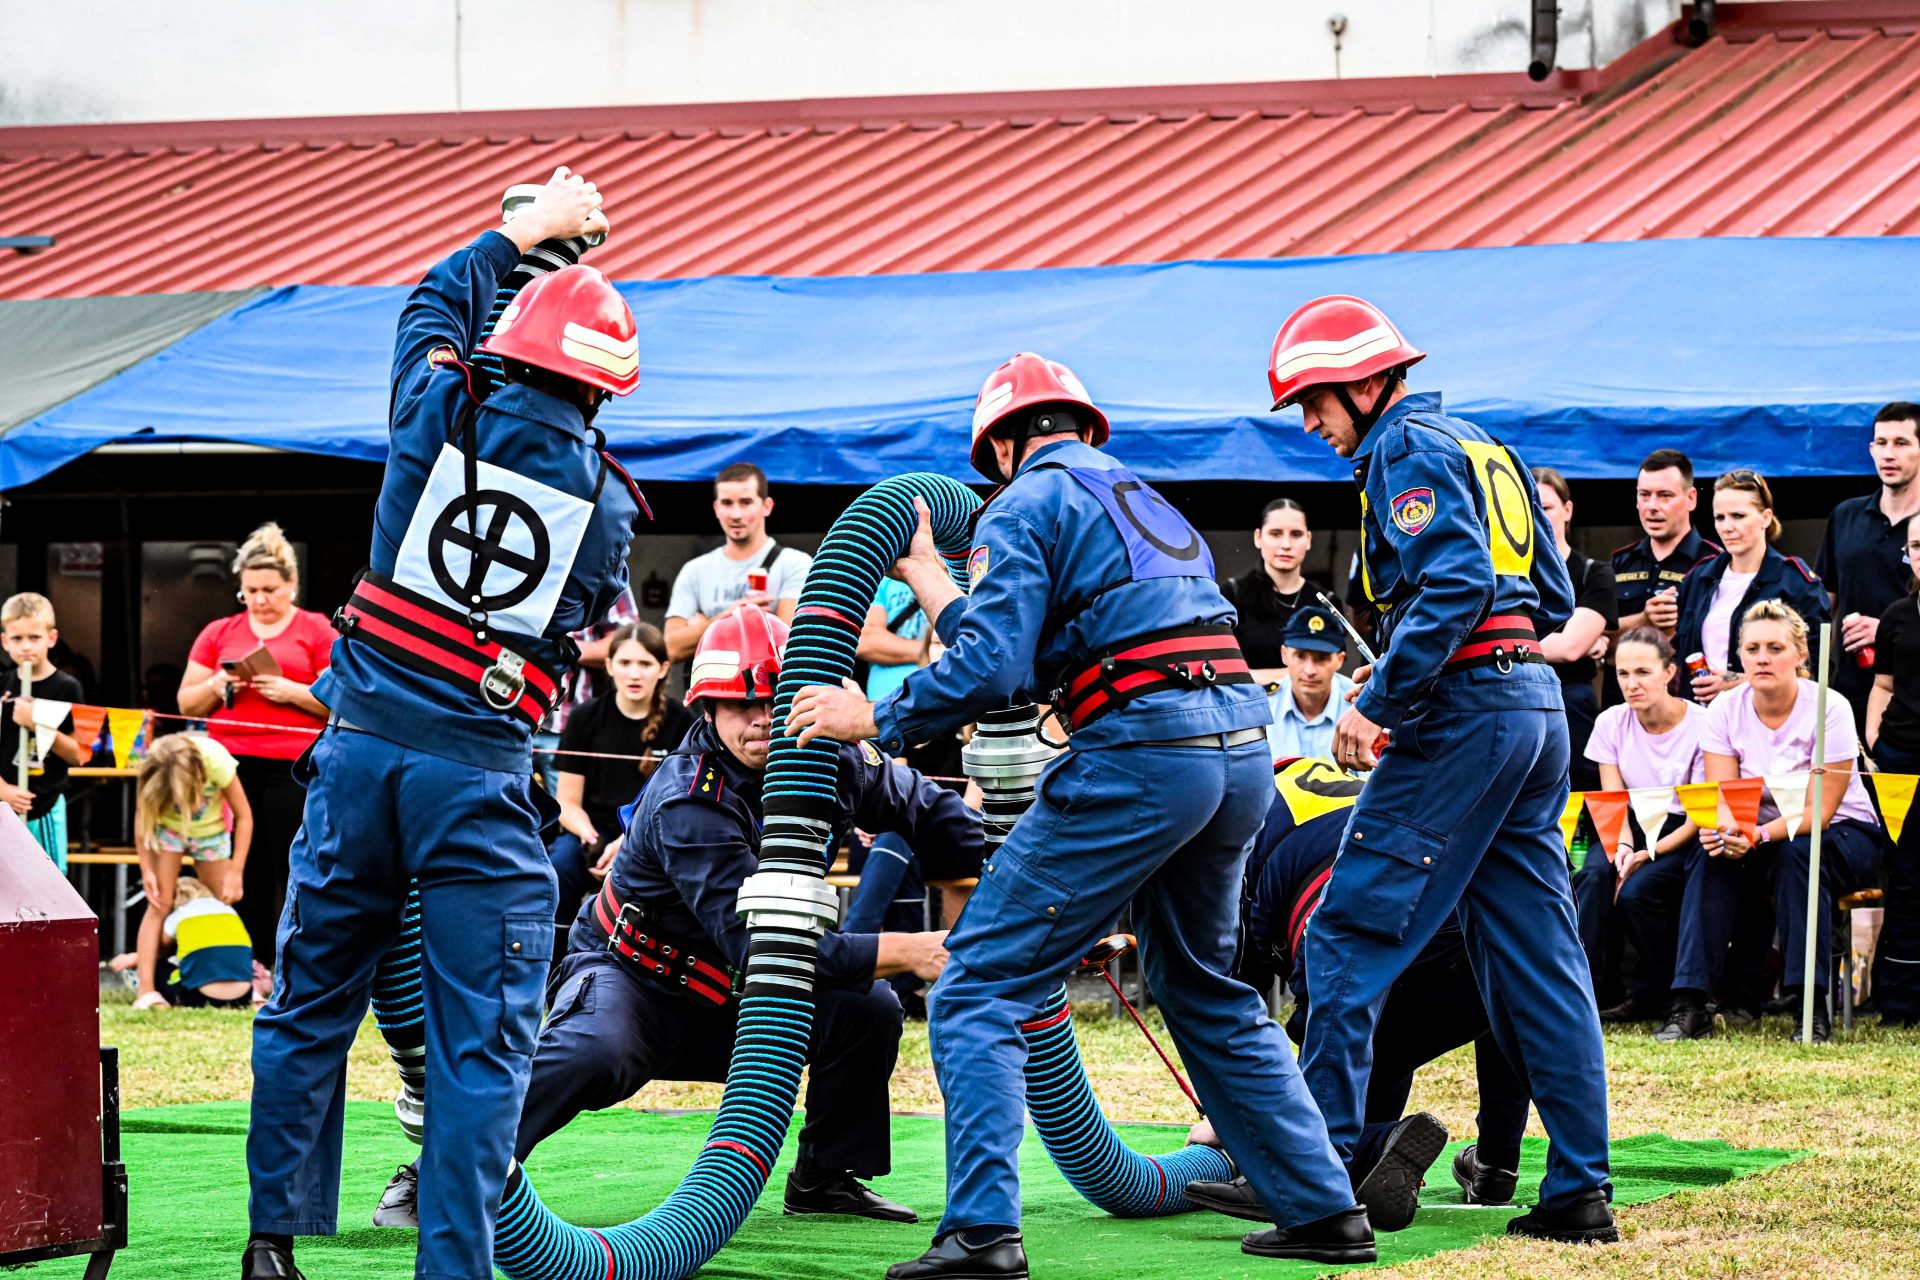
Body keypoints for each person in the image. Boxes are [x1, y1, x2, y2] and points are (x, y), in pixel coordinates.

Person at [790, 351, 1370, 1274]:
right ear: (1080, 428)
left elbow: (991, 671)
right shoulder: (1144, 502)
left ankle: (982, 1235)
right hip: (1236, 753)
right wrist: (933, 576)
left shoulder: (1021, 503)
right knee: (1202, 987)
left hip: (1144, 753)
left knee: (977, 983)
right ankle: (1326, 1209)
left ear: (1003, 444)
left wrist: (876, 718)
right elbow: (1020, 650)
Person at [244, 168, 643, 1280]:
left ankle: (273, 1243)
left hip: (360, 755)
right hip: (477, 775)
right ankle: (453, 1266)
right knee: (481, 1043)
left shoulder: (434, 407)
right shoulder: (610, 509)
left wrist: (523, 234)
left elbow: (429, 307)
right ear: (605, 390)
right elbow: (572, 609)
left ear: (505, 346)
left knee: (310, 1003)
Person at [1266, 295, 1615, 1244]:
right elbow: (1547, 594)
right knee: (1542, 962)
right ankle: (1579, 1193)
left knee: (1344, 935)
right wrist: (1428, 657)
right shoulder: (1484, 444)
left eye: (1315, 401)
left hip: (1464, 716)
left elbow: (1455, 582)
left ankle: (1318, 1194)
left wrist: (1380, 699)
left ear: (1367, 383)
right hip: (1532, 706)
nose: (1310, 423)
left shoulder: (1404, 449)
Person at [512, 607, 966, 1220]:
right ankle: (448, 1170)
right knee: (593, 1049)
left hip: (741, 991)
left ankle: (825, 1178)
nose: (760, 718)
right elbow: (765, 948)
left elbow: (932, 815)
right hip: (641, 981)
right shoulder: (688, 800)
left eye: (775, 700)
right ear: (706, 709)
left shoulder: (833, 756)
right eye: (737, 704)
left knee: (869, 1010)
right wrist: (913, 950)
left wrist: (1029, 863)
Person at [1183, 758, 1532, 1225]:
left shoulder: (1232, 823)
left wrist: (1230, 1117)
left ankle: (1371, 1144)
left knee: (1347, 1069)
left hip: (1362, 933)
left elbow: (1235, 1000)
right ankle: (1494, 1164)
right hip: (1471, 910)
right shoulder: (1312, 785)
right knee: (1497, 1003)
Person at [1698, 601, 1889, 1043]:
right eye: (1752, 649)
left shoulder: (1830, 706)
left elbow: (1821, 812)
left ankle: (1811, 1005)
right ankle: (1691, 1000)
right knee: (1706, 855)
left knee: (1799, 855)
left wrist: (1757, 834)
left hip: (1843, 832)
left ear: (1801, 654)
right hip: (1763, 836)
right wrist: (1729, 833)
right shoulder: (1724, 708)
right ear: (1739, 655)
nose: (1762, 658)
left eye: (1775, 648)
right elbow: (1725, 796)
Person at [178, 523, 334, 970]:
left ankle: (288, 961)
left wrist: (292, 692)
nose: (260, 600)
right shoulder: (219, 631)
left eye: (270, 590)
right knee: (238, 865)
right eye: (250, 592)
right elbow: (186, 702)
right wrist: (217, 682)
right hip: (228, 764)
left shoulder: (316, 628)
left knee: (290, 862)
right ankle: (245, 963)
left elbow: (341, 700)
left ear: (292, 584)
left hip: (293, 764)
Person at [1575, 629, 1706, 1028]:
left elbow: (1699, 817)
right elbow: (1612, 801)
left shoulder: (1703, 724)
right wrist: (1624, 850)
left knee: (1637, 892)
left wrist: (1649, 854)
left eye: (1643, 672)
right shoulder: (1610, 721)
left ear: (1669, 672)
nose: (1631, 684)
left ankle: (1656, 993)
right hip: (1629, 823)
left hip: (1681, 830)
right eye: (1622, 673)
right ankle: (1587, 994)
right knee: (1594, 875)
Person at [550, 621, 688, 924]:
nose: (634, 674)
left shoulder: (683, 722)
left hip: (654, 834)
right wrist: (589, 837)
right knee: (558, 869)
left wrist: (627, 843)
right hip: (593, 831)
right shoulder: (584, 717)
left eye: (645, 664)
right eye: (625, 663)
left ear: (663, 668)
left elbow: (682, 806)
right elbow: (567, 802)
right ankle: (558, 948)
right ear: (610, 666)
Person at [1674, 470, 1829, 705]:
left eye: (1738, 516)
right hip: (1701, 717)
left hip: (1766, 715)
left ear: (1765, 518)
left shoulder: (1796, 583)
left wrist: (1741, 682)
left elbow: (1817, 671)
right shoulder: (1698, 577)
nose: (1727, 527)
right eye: (1720, 517)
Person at [131, 733, 252, 1010]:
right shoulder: (152, 766)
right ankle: (146, 990)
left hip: (211, 833)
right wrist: (147, 869)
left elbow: (244, 816)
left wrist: (236, 870)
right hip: (169, 832)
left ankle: (225, 977)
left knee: (219, 903)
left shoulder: (217, 760)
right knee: (159, 904)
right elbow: (143, 818)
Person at [1819, 403, 1920, 733]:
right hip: (1850, 695)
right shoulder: (1845, 516)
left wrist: (1887, 631)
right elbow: (1822, 604)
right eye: (1881, 443)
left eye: (1901, 443)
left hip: (1911, 698)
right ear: (1871, 449)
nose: (1888, 454)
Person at [664, 461, 812, 667]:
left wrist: (704, 626)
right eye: (727, 503)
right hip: (709, 686)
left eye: (746, 502)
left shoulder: (795, 563)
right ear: (716, 508)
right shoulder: (694, 570)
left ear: (767, 506)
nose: (735, 514)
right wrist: (731, 616)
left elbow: (789, 643)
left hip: (767, 686)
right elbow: (671, 648)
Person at [1533, 467, 1618, 791]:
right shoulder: (1506, 575)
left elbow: (1571, 648)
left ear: (1568, 510)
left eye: (1547, 507)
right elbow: (1572, 642)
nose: (1539, 516)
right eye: (1531, 507)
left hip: (1571, 703)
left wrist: (1508, 645)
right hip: (1519, 701)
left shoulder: (1593, 573)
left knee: (1578, 797)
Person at [1865, 525, 1920, 1027]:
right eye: (1917, 546)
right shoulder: (1897, 616)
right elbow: (1883, 684)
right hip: (1901, 761)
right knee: (1905, 880)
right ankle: (1900, 1001)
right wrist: (1875, 741)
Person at [0, 592, 87, 869]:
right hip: (3, 805)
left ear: (51, 638)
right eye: (17, 638)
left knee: (48, 878)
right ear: (5, 641)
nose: (26, 646)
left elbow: (79, 753)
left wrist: (36, 724)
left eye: (34, 637)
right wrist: (3, 790)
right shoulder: (3, 684)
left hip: (44, 806)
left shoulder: (67, 687)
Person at [1223, 498, 1337, 686]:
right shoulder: (1230, 594)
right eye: (1275, 534)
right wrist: (1293, 676)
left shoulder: (1326, 602)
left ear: (1308, 539)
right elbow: (1220, 668)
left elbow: (1330, 670)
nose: (1286, 544)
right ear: (1258, 537)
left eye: (1296, 534)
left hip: (1304, 704)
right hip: (1245, 702)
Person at [1611, 449, 1718, 639]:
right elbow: (1592, 636)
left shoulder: (1714, 562)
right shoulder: (1620, 562)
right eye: (1644, 494)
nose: (1652, 506)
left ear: (1691, 499)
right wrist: (1643, 620)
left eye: (1665, 495)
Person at [1263, 606, 1355, 763]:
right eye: (1300, 656)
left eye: (1322, 658)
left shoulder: (1360, 706)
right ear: (1284, 655)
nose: (1310, 670)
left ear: (1340, 660)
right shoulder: (1263, 706)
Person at [159, 874, 257, 1009]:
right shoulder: (229, 910)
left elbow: (161, 947)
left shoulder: (179, 914)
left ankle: (151, 995)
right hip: (244, 997)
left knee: (159, 966)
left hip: (201, 998)